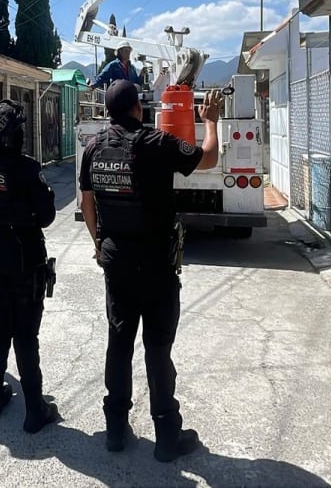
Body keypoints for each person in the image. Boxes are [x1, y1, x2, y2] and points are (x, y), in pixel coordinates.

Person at [78, 79, 223, 462]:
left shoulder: (93, 148)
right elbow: (208, 158)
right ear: (137, 109)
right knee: (158, 349)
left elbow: (86, 201)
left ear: (109, 111)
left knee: (119, 343)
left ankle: (115, 430)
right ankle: (166, 436)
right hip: (156, 264)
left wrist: (97, 243)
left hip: (116, 262)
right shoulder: (156, 143)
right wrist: (211, 121)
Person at [0, 100, 60, 433]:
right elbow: (48, 217)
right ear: (12, 137)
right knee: (25, 334)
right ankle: (35, 409)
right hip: (22, 252)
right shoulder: (26, 167)